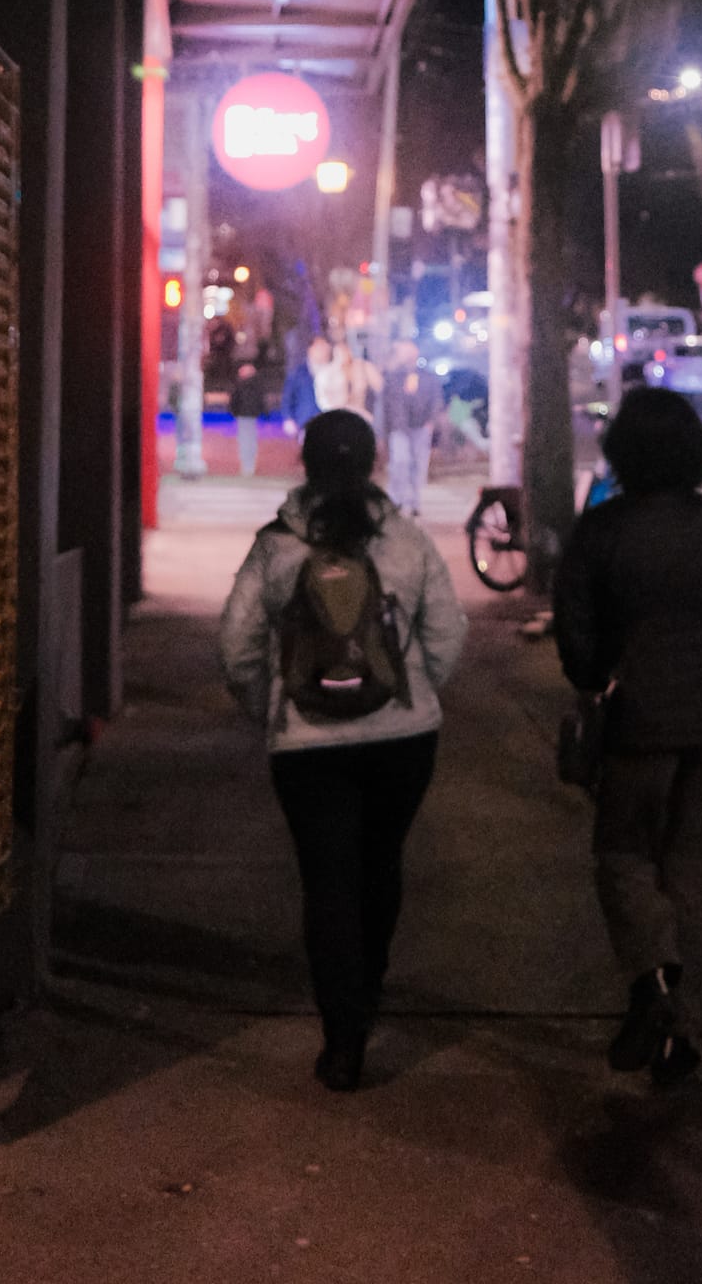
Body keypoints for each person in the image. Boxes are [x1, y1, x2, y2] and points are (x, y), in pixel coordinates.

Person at [220, 409, 468, 1091]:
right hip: (403, 741)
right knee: (380, 864)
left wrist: (269, 709)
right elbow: (447, 635)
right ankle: (370, 986)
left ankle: (343, 1039)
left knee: (328, 882)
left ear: (304, 464)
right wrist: (415, 692)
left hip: (307, 745)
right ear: (373, 461)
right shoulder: (408, 540)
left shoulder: (276, 546)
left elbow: (236, 645)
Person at [553, 387, 702, 1090]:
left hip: (638, 722)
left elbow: (579, 639)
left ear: (621, 452)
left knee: (623, 856)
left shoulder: (600, 531)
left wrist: (596, 679)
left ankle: (652, 978)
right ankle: (690, 1027)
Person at [380, 340, 443, 515]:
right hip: (399, 427)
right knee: (400, 462)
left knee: (418, 464)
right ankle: (396, 499)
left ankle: (414, 501)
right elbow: (386, 405)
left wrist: (431, 422)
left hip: (421, 426)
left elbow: (436, 399)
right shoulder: (392, 377)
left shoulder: (427, 377)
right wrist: (384, 431)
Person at [280, 337, 324, 439]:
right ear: (310, 349)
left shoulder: (333, 371)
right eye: (319, 347)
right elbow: (287, 397)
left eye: (324, 347)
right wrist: (288, 418)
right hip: (305, 422)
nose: (322, 351)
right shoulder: (298, 372)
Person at [231, 352, 265, 477]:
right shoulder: (257, 386)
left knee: (245, 440)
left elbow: (234, 401)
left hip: (243, 415)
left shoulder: (240, 385)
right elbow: (261, 401)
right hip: (251, 415)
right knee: (250, 440)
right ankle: (249, 465)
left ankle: (247, 465)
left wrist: (234, 412)